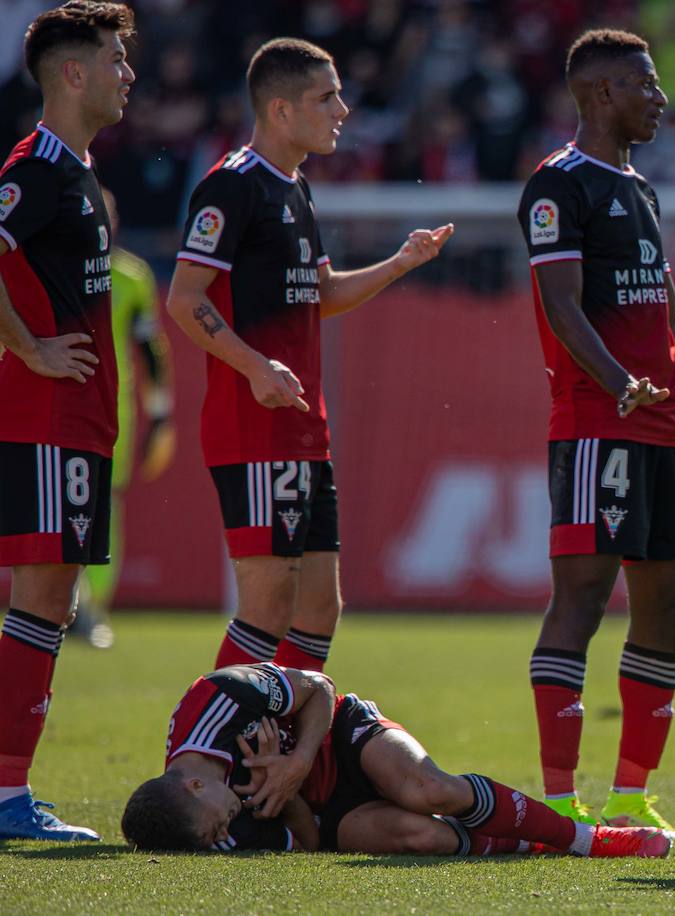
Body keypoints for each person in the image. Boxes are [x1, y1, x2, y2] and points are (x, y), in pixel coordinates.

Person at [516, 28, 675, 842]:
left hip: (665, 431)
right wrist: (618, 386)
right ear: (603, 92)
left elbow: (671, 322)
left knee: (666, 608)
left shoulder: (641, 190)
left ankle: (630, 800)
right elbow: (561, 305)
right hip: (595, 426)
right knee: (579, 598)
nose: (661, 97)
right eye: (645, 84)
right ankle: (558, 803)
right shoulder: (558, 185)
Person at [165, 38, 453, 674]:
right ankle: (202, 751)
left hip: (301, 427)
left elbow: (319, 294)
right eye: (327, 97)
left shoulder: (297, 190)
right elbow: (184, 299)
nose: (342, 110)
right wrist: (255, 368)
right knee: (267, 608)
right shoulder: (232, 187)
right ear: (280, 109)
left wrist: (400, 264)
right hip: (254, 423)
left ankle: (283, 753)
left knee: (320, 607)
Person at [0, 0, 136, 842]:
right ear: (73, 73)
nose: (129, 75)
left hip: (77, 423)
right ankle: (8, 797)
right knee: (40, 601)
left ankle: (12, 791)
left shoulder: (78, 171)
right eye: (117, 60)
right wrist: (32, 351)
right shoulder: (38, 165)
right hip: (46, 418)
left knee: (47, 607)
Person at [121, 662, 671, 858]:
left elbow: (317, 686)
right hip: (320, 806)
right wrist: (282, 794)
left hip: (339, 735)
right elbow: (308, 842)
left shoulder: (219, 699)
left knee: (426, 791)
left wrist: (296, 760)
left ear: (193, 787)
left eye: (222, 815)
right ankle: (522, 837)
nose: (231, 818)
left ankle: (588, 839)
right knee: (423, 838)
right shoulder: (207, 829)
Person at [71, 187, 175, 649]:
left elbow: (151, 351)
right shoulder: (52, 268)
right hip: (53, 406)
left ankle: (91, 612)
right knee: (51, 509)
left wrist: (160, 415)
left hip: (113, 412)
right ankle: (52, 607)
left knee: (102, 512)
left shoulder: (131, 278)